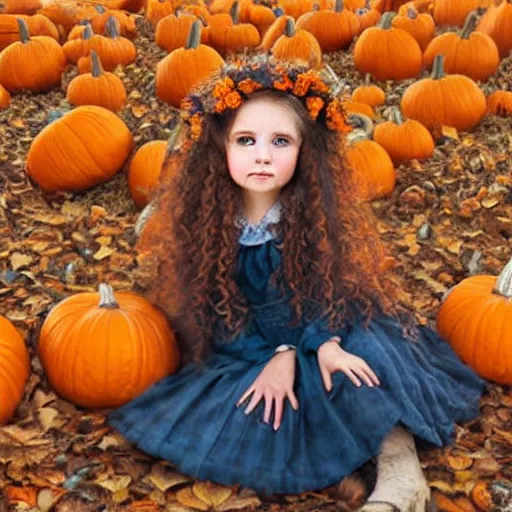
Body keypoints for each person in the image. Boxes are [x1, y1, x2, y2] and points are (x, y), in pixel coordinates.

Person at [108, 52, 486, 512]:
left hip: (330, 324)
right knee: (267, 402)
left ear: (306, 152)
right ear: (219, 148)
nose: (262, 155)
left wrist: (320, 342)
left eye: (281, 142)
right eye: (245, 140)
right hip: (251, 347)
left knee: (357, 363)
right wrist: (280, 354)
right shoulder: (208, 227)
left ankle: (400, 470)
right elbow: (215, 315)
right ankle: (343, 457)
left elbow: (332, 292)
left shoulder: (311, 219)